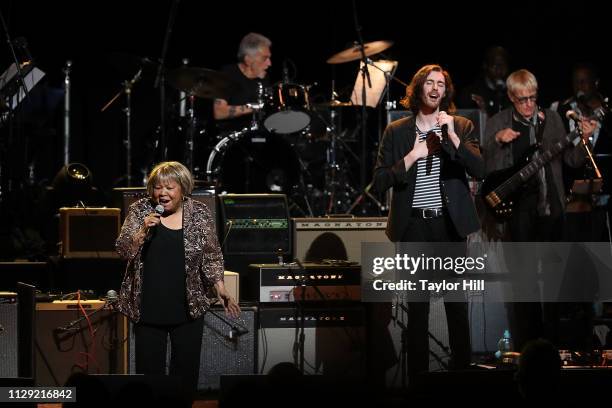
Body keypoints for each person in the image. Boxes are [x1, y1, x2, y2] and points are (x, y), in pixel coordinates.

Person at [373, 64, 484, 379]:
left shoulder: (460, 125)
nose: (436, 88)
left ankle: (461, 376)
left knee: (456, 309)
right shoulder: (397, 131)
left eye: (441, 84)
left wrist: (450, 135)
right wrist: (413, 155)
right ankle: (419, 383)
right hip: (414, 229)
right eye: (430, 83)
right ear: (419, 88)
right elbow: (379, 181)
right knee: (417, 312)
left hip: (449, 228)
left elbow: (480, 169)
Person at [483, 69, 596, 351]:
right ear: (511, 97)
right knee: (526, 286)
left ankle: (555, 347)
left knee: (555, 285)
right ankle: (529, 349)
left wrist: (585, 139)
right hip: (519, 215)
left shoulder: (553, 119)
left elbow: (570, 159)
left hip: (552, 210)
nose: (529, 105)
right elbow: (486, 170)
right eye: (522, 100)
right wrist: (498, 142)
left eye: (533, 98)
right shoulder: (498, 122)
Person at [115, 161, 240, 398]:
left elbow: (211, 255)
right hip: (148, 308)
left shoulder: (199, 212)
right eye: (157, 188)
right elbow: (123, 251)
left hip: (188, 309)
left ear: (183, 188)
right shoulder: (141, 210)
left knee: (184, 376)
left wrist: (220, 288)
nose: (162, 194)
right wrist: (142, 231)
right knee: (149, 377)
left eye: (169, 188)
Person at [213, 32, 272, 133]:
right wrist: (254, 107)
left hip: (259, 136)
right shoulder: (228, 74)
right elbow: (219, 112)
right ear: (248, 60)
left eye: (269, 58)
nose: (269, 63)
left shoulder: (264, 79)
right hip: (231, 137)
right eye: (264, 58)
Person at [457, 46, 511, 117]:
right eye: (494, 65)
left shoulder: (515, 91)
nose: (499, 69)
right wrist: (482, 112)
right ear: (485, 66)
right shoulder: (472, 92)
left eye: (502, 64)